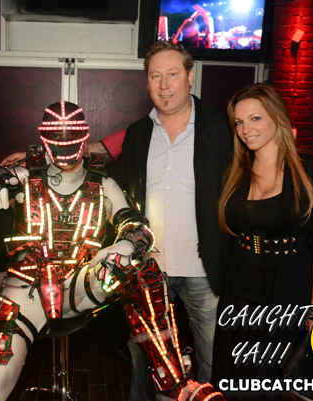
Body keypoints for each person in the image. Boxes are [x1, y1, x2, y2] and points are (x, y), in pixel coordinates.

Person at [0, 100, 225, 401]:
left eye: (71, 137)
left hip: (79, 283)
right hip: (27, 288)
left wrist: (125, 245)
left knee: (142, 270)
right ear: (44, 138)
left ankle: (173, 383)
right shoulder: (24, 177)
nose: (64, 145)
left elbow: (137, 226)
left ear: (84, 137)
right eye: (57, 137)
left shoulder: (103, 184)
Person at [108, 40, 233, 398]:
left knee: (212, 359)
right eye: (155, 76)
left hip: (204, 268)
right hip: (149, 268)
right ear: (147, 82)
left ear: (190, 77)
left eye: (173, 74)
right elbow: (112, 180)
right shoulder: (138, 133)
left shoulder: (221, 128)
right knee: (145, 359)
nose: (164, 85)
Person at [213, 83, 313, 388]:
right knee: (231, 374)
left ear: (277, 118)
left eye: (255, 118)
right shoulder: (237, 170)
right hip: (240, 281)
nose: (245, 129)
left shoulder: (311, 169)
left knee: (265, 380)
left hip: (288, 285)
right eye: (239, 122)